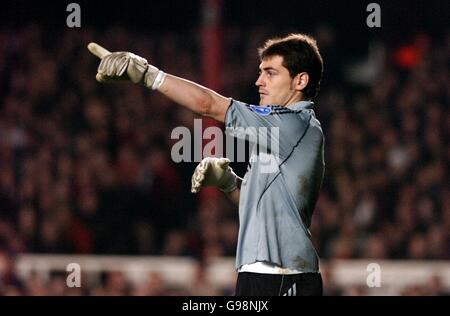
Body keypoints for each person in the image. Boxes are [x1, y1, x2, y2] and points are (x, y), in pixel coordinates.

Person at [88, 33, 325, 296]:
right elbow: (264, 207)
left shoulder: (293, 124)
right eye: (260, 72)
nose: (259, 81)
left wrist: (148, 75)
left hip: (283, 275)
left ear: (300, 80)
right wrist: (229, 183)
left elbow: (208, 105)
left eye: (271, 73)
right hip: (263, 273)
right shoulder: (276, 132)